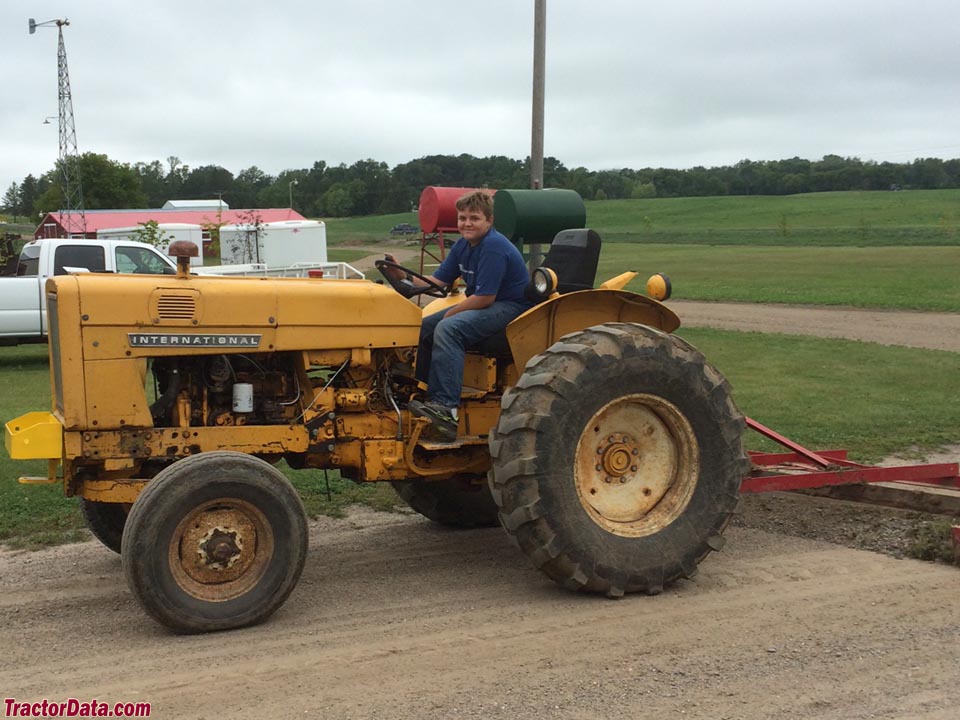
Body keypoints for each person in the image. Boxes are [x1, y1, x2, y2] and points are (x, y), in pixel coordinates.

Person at [384, 190, 533, 441]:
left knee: (448, 327)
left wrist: (450, 314)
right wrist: (404, 276)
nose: (466, 223)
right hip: (486, 303)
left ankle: (446, 409)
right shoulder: (464, 245)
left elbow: (486, 297)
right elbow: (437, 281)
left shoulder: (494, 247)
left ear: (489, 220)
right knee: (422, 325)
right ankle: (421, 390)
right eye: (462, 218)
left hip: (512, 307)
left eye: (474, 218)